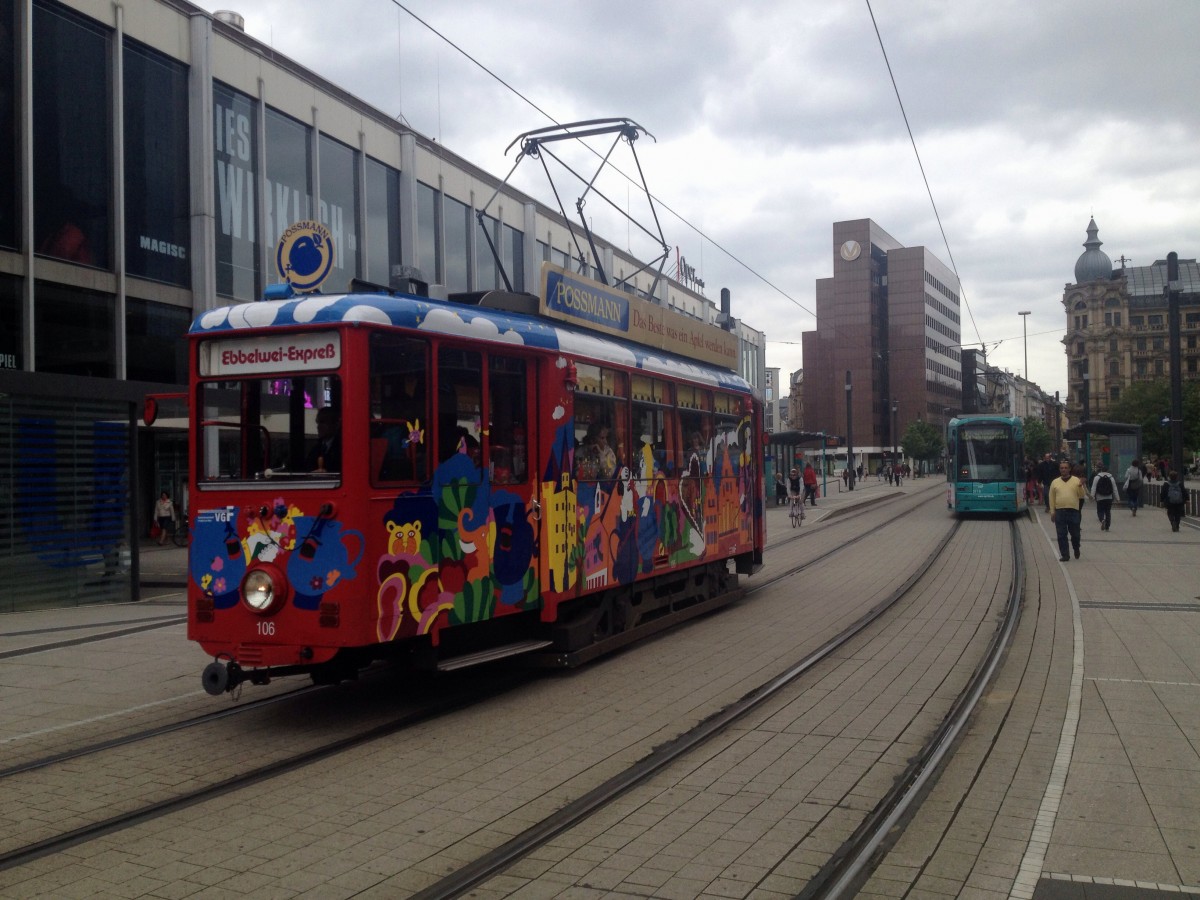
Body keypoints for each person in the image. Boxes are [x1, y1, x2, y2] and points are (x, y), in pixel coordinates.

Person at [1049, 459, 1085, 561]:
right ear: (1059, 470)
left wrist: (1080, 486)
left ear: (1069, 469)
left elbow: (1082, 496)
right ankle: (1065, 555)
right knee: (1061, 534)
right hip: (1060, 511)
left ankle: (1076, 547)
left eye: (1065, 468)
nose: (1063, 470)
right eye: (1061, 468)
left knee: (1075, 533)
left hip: (1073, 511)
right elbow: (1051, 497)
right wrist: (1052, 512)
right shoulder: (1055, 482)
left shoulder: (1076, 480)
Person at [306, 406, 341, 472]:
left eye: (322, 422)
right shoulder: (315, 449)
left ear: (336, 424)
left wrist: (328, 473)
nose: (318, 427)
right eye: (318, 422)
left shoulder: (343, 448)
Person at [1089, 464, 1117, 531]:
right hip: (1109, 497)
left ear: (1101, 470)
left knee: (1100, 510)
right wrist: (1117, 498)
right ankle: (1107, 527)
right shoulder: (1111, 478)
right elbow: (1114, 488)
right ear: (1108, 471)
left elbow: (1094, 487)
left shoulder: (1097, 477)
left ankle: (1102, 520)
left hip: (1099, 497)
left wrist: (1092, 496)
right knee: (1108, 511)